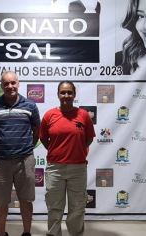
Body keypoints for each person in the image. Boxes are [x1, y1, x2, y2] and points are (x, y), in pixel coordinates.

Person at [0, 71, 41, 236]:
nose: (10, 86)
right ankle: (1, 233)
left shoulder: (30, 106)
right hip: (1, 162)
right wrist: (3, 146)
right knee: (1, 202)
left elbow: (36, 132)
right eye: (6, 83)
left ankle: (26, 233)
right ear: (1, 86)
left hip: (25, 160)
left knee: (26, 200)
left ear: (18, 83)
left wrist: (25, 148)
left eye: (13, 83)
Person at [39, 81, 95, 236]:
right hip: (55, 168)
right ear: (58, 95)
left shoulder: (83, 115)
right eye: (63, 92)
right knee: (54, 207)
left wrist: (77, 150)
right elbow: (43, 138)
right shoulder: (49, 115)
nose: (66, 96)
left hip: (78, 168)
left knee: (77, 208)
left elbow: (89, 138)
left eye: (69, 92)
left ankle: (75, 234)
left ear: (74, 94)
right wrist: (56, 151)